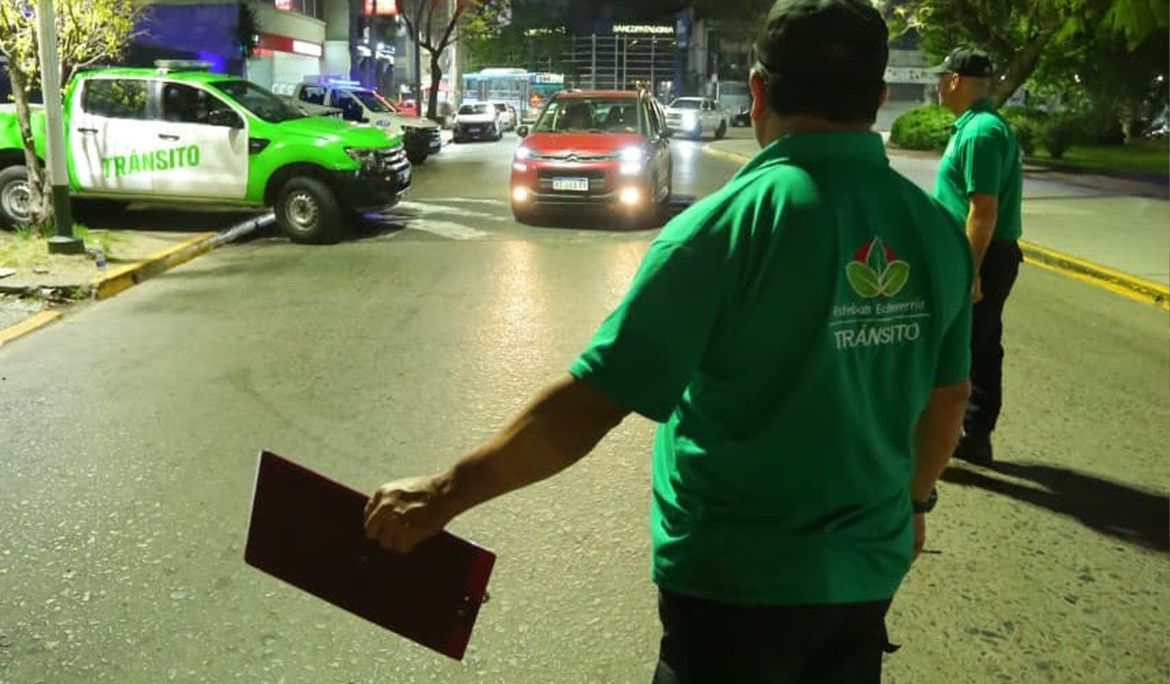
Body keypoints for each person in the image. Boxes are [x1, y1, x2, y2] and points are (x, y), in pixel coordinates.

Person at [363, 1, 973, 681]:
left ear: (760, 90)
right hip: (865, 579)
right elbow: (947, 404)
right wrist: (913, 504)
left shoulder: (724, 230)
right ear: (880, 98)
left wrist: (444, 494)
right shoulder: (935, 231)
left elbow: (588, 407)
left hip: (731, 590)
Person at [931, 47, 1024, 467]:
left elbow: (983, 210)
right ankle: (972, 437)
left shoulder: (981, 132)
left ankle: (958, 438)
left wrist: (969, 271)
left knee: (963, 347)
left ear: (954, 81)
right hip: (979, 254)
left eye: (940, 78)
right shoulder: (974, 127)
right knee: (979, 344)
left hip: (981, 256)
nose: (936, 86)